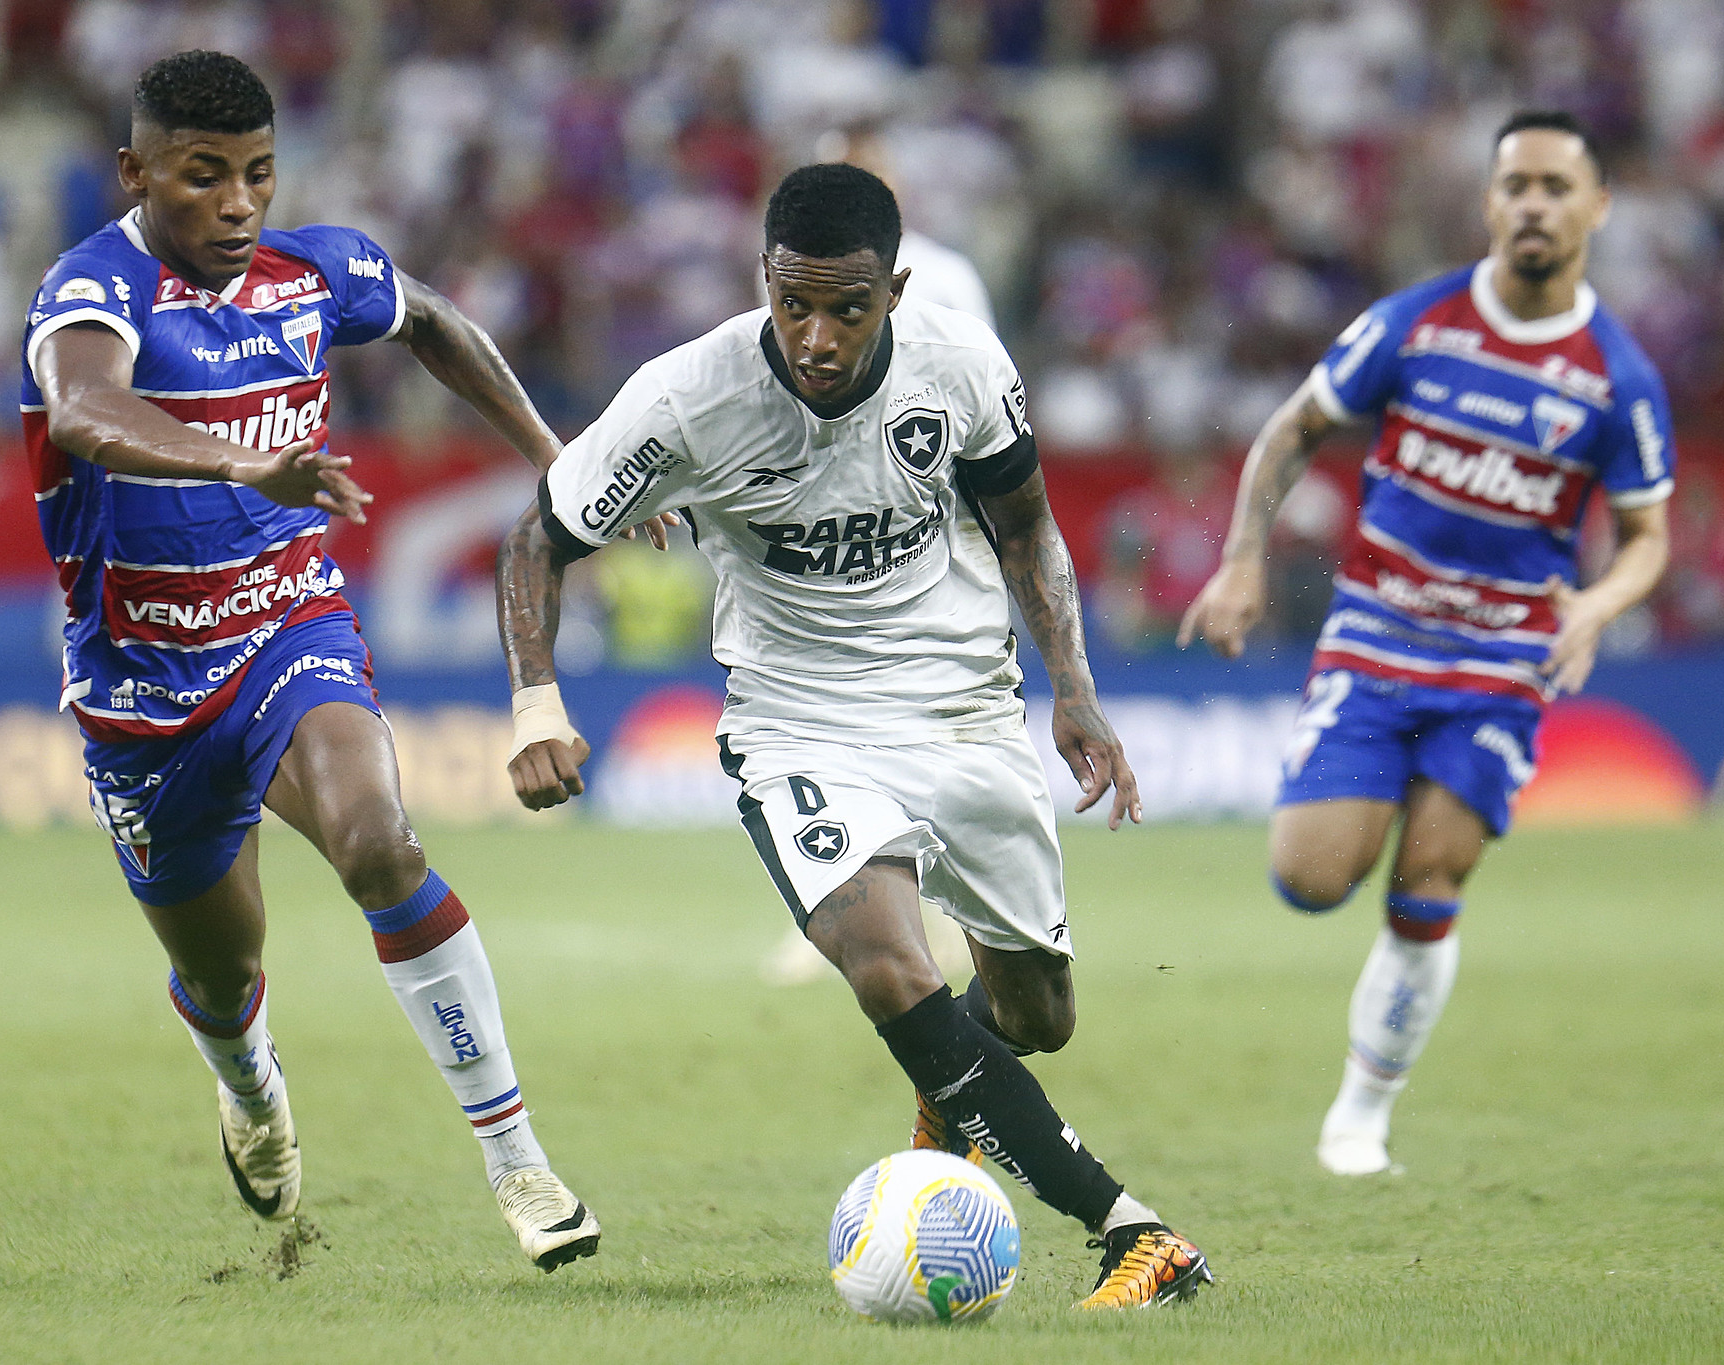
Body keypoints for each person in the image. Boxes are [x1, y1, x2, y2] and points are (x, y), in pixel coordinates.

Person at [497, 162, 1214, 1311]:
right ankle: (1131, 1233)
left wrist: (1070, 686)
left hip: (964, 702)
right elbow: (536, 540)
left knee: (1036, 1018)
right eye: (792, 303)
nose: (816, 336)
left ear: (897, 289)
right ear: (761, 282)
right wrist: (537, 702)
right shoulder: (686, 398)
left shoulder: (962, 365)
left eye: (847, 306)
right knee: (889, 966)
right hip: (800, 722)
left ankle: (956, 1082)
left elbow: (1023, 521)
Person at [19, 50, 604, 1270]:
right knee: (223, 975)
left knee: (380, 842)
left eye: (257, 176)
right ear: (134, 173)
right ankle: (249, 1088)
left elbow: (434, 320)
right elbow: (81, 409)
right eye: (202, 177)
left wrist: (553, 451)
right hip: (141, 693)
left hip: (290, 626)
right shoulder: (92, 289)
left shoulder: (313, 270)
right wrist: (238, 461)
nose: (237, 203)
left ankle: (519, 1162)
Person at [1180, 111, 1674, 1176]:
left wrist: (1596, 604)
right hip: (1376, 635)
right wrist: (1239, 559)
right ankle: (1376, 784)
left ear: (1594, 207)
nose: (1532, 204)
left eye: (1554, 185)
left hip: (1500, 662)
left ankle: (1358, 1117)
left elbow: (1645, 541)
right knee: (1309, 881)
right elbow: (1291, 429)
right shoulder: (1413, 324)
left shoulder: (1615, 379)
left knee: (1428, 884)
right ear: (1489, 203)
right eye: (1515, 186)